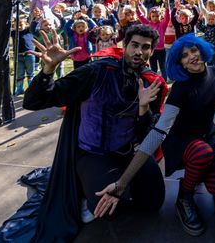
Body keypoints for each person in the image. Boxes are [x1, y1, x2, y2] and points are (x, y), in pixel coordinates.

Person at [93, 34, 215, 236]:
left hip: (210, 139)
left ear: (202, 50)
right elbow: (159, 131)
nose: (192, 57)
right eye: (184, 56)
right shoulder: (180, 90)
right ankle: (184, 197)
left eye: (194, 51)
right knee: (202, 153)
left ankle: (199, 177)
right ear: (180, 64)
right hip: (182, 142)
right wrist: (122, 183)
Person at [22, 24, 168, 242]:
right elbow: (34, 101)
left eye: (145, 47)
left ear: (152, 51)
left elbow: (148, 132)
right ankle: (81, 190)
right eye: (134, 45)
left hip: (128, 152)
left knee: (153, 202)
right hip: (93, 154)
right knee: (109, 211)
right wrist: (48, 71)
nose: (139, 52)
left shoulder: (150, 82)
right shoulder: (96, 71)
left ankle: (105, 185)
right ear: (124, 45)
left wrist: (144, 109)